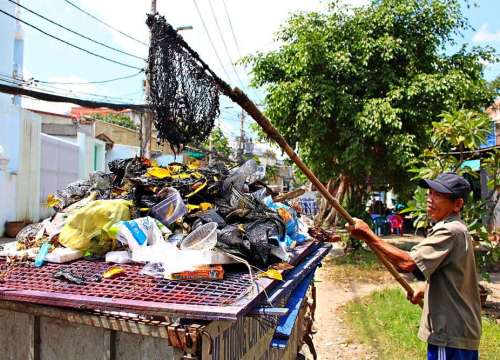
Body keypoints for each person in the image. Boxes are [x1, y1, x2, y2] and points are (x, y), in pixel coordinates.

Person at [346, 172, 481, 360]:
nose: (430, 199)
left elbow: (407, 263)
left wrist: (368, 235)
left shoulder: (450, 230)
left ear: (457, 204)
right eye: (430, 193)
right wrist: (425, 291)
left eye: (438, 195)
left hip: (449, 335)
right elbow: (455, 276)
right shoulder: (458, 229)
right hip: (460, 331)